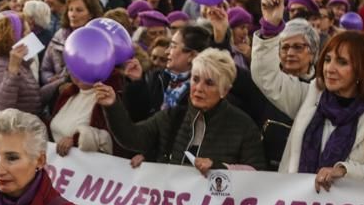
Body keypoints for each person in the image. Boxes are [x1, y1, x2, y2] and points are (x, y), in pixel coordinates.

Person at [252, 0, 364, 182]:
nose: (330, 69)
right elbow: (266, 76)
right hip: (295, 198)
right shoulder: (310, 96)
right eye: (327, 59)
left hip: (347, 201)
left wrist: (346, 171)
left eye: (342, 62)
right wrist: (270, 27)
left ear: (363, 69)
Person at [100, 48, 266, 171]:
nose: (199, 88)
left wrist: (219, 168)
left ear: (225, 90)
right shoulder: (172, 116)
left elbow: (257, 177)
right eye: (195, 79)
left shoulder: (243, 126)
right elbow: (131, 137)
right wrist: (112, 105)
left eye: (209, 83)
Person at [40, 0, 104, 102]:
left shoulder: (97, 39)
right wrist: (50, 79)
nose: (73, 14)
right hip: (54, 95)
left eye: (79, 10)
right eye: (70, 10)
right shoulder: (59, 35)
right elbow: (45, 68)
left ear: (91, 14)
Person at [0, 15, 43, 118]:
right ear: (15, 37)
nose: (31, 36)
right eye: (27, 33)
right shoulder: (2, 67)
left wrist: (59, 82)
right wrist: (12, 70)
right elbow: (2, 107)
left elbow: (34, 97)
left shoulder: (21, 64)